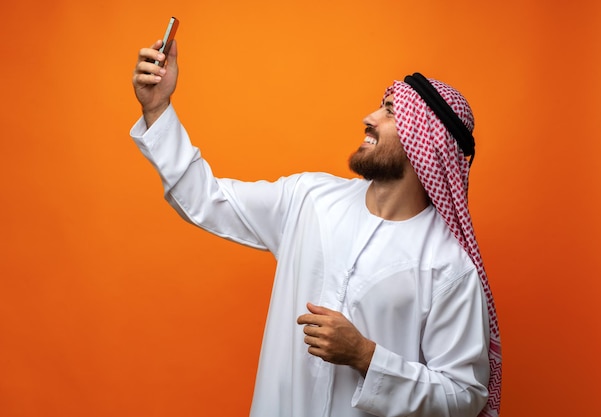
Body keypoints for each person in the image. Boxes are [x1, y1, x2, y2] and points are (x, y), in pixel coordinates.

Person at [130, 38, 502, 417]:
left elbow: (464, 395)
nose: (370, 118)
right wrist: (158, 108)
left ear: (426, 141)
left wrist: (367, 357)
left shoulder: (449, 267)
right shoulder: (310, 199)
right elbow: (206, 198)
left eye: (390, 112)